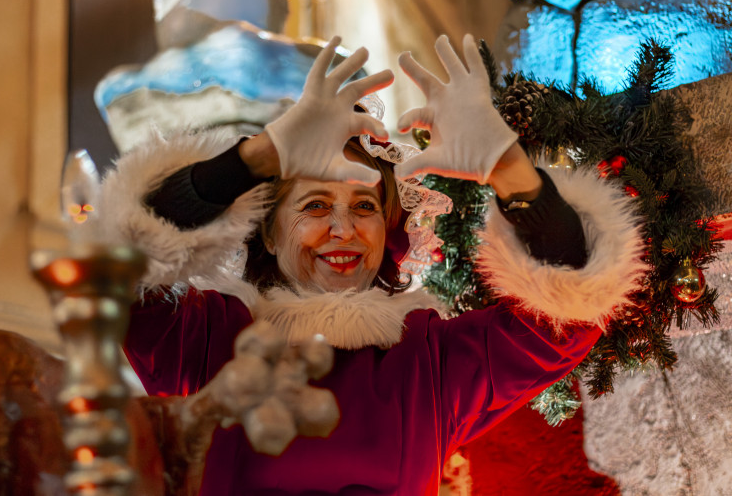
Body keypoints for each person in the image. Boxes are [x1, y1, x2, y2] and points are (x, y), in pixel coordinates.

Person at [97, 34, 645, 495]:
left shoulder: (428, 361)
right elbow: (123, 269)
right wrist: (259, 157)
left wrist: (510, 171)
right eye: (314, 207)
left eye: (365, 207)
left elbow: (567, 313)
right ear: (266, 228)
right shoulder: (208, 338)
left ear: (390, 229)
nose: (344, 230)